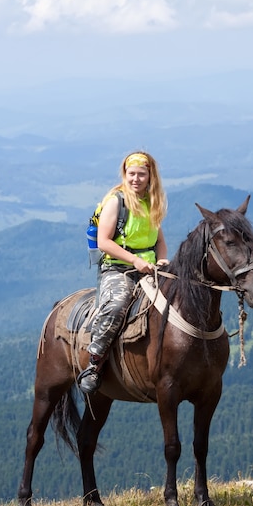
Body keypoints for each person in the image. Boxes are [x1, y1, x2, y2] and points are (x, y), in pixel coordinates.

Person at [78, 151, 169, 394]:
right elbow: (104, 241)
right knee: (118, 305)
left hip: (150, 268)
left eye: (141, 174)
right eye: (132, 174)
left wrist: (162, 260)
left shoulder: (152, 202)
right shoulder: (116, 201)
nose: (136, 179)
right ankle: (94, 363)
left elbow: (159, 240)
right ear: (124, 175)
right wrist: (134, 261)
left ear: (151, 177)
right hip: (118, 268)